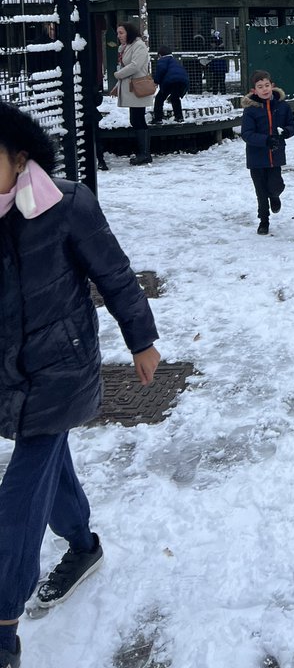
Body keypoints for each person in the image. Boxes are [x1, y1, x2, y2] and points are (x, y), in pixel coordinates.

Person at [0, 102, 160, 668]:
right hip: (7, 375)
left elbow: (113, 272)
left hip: (62, 371)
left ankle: (2, 624)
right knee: (49, 465)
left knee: (17, 497)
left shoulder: (66, 205)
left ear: (20, 160)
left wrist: (141, 339)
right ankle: (84, 545)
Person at [240, 69, 294, 235]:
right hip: (256, 157)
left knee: (276, 185)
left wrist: (286, 132)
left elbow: (292, 126)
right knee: (260, 191)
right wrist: (265, 140)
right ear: (254, 90)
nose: (264, 89)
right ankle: (263, 220)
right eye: (260, 86)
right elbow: (247, 134)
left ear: (272, 86)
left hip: (276, 155)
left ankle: (275, 196)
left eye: (266, 85)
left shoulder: (282, 106)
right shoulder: (250, 110)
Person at [111, 23, 154, 166]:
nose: (119, 36)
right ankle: (142, 152)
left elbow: (135, 65)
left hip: (137, 88)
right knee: (135, 119)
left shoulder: (139, 45)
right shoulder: (126, 47)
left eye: (121, 33)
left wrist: (118, 75)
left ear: (129, 32)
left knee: (138, 119)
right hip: (131, 88)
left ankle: (144, 153)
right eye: (118, 33)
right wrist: (118, 86)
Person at [150, 45, 189, 124]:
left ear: (160, 55)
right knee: (175, 98)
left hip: (170, 81)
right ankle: (179, 117)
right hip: (182, 81)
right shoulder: (174, 60)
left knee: (159, 99)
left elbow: (161, 70)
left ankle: (158, 118)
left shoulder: (162, 60)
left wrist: (156, 81)